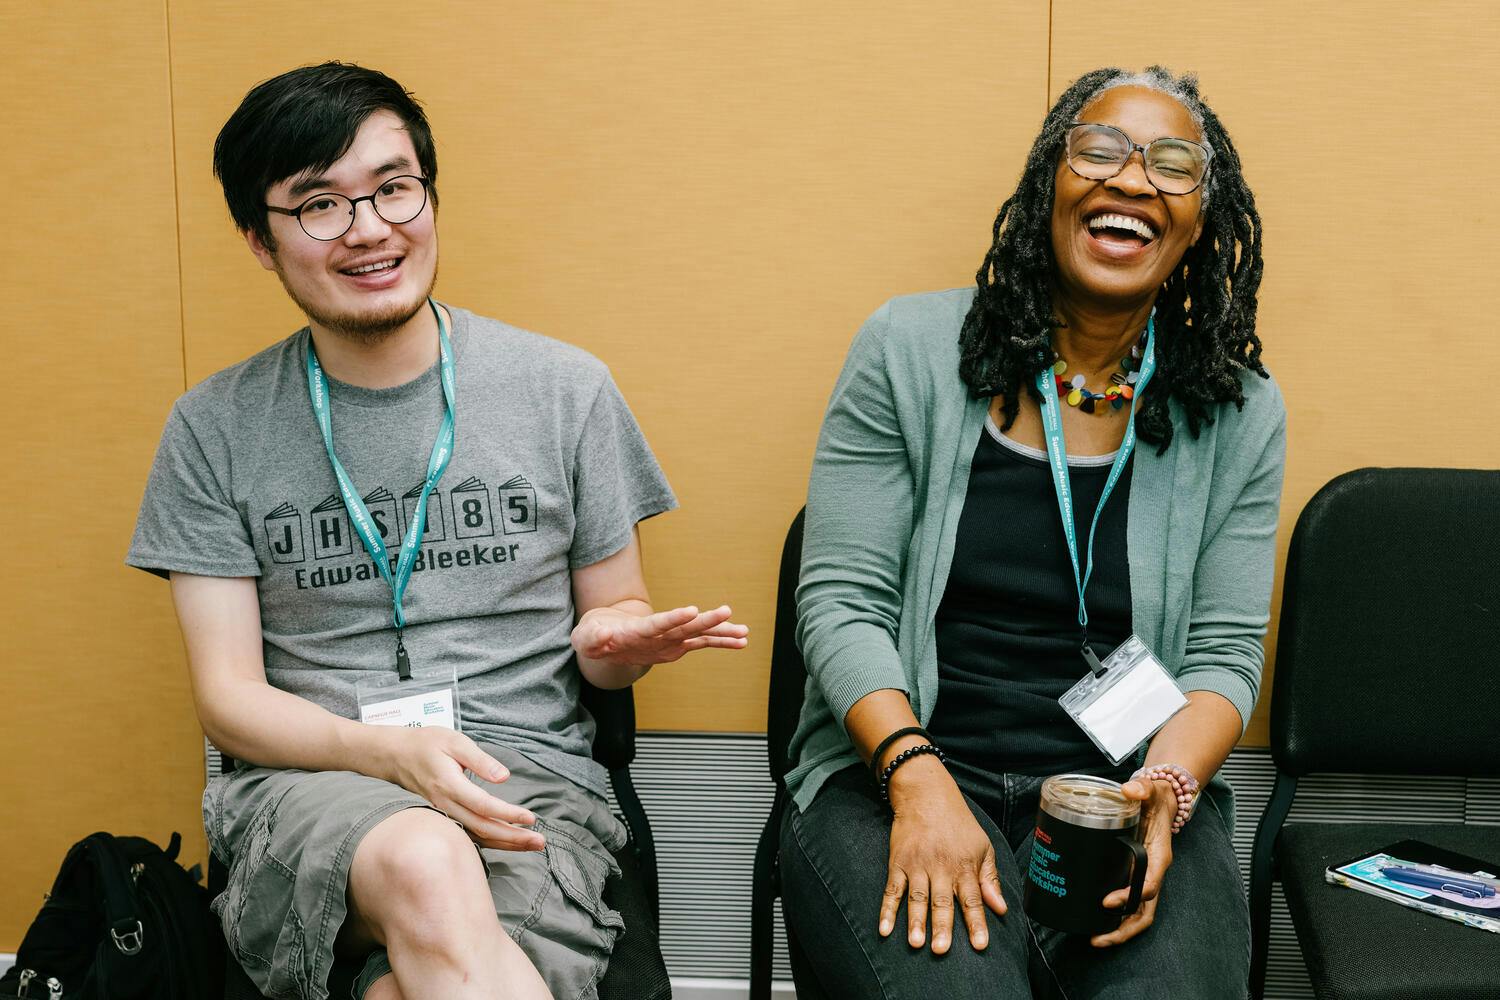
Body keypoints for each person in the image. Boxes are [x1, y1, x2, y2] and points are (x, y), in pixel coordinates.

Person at [127, 62, 747, 1000]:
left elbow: (610, 637)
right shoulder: (212, 429)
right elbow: (228, 699)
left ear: (429, 194)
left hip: (525, 777)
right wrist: (387, 753)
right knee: (423, 860)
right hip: (309, 782)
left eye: (393, 188)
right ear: (260, 238)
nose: (371, 227)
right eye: (320, 205)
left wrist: (619, 642)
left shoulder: (562, 390)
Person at [779, 66, 1283, 998]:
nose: (1132, 181)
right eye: (1100, 150)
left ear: (1202, 222)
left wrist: (1168, 793)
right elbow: (839, 601)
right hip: (902, 763)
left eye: (1173, 166)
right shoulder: (908, 350)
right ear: (1049, 180)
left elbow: (1223, 658)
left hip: (1122, 788)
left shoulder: (1239, 412)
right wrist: (914, 778)